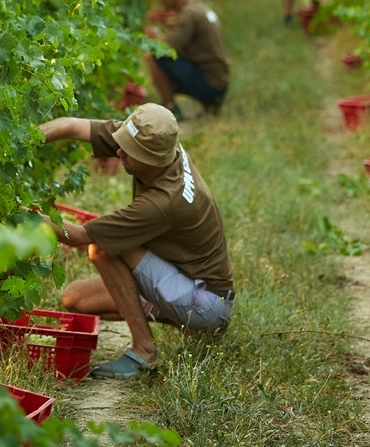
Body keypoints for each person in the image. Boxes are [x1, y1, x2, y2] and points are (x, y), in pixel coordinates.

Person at [36, 103, 235, 378]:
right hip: (181, 279)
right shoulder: (155, 143)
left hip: (208, 302)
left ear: (152, 160)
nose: (118, 153)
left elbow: (79, 237)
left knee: (101, 247)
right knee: (76, 299)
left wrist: (30, 217)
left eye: (129, 152)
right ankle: (187, 326)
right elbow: (71, 125)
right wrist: (25, 141)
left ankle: (146, 351)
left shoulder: (163, 201)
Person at [143, 0, 230, 118]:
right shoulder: (198, 8)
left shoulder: (188, 16)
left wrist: (153, 33)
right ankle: (211, 104)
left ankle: (171, 108)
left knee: (154, 56)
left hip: (210, 85)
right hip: (220, 81)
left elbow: (166, 47)